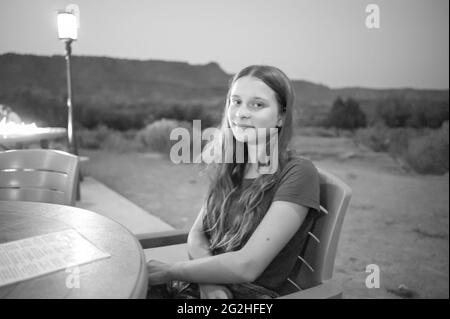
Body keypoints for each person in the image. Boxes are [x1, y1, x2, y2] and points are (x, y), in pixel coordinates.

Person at [146, 65, 321, 299]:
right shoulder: (233, 165)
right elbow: (198, 234)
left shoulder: (297, 172)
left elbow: (248, 265)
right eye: (236, 101)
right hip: (207, 288)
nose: (241, 113)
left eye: (257, 104)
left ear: (281, 116)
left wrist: (170, 271)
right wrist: (207, 282)